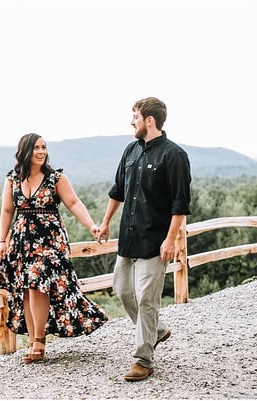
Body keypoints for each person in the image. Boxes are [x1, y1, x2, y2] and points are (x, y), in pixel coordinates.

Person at [96, 97, 191, 381]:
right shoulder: (130, 151)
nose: (132, 121)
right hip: (128, 237)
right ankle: (157, 331)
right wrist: (105, 223)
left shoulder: (174, 155)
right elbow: (117, 191)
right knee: (123, 290)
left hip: (155, 240)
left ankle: (143, 358)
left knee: (146, 300)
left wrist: (171, 240)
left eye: (135, 116)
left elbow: (180, 204)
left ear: (150, 120)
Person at [0, 133, 108, 364]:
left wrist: (92, 226)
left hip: (50, 240)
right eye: (36, 147)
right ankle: (35, 338)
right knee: (27, 288)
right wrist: (3, 241)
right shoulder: (12, 179)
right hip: (22, 241)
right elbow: (7, 211)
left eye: (44, 147)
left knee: (38, 284)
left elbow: (74, 203)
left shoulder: (55, 178)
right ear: (24, 150)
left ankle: (38, 342)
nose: (41, 151)